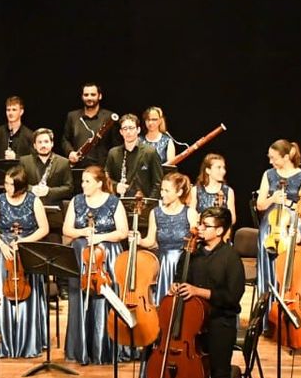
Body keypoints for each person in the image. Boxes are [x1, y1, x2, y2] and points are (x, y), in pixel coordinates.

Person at [174, 207, 246, 378]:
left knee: (220, 376)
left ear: (221, 230)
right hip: (193, 325)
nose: (200, 229)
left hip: (219, 323)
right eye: (200, 224)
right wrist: (177, 287)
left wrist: (198, 291)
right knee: (197, 376)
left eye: (206, 226)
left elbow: (232, 297)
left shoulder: (230, 257)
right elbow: (179, 277)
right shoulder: (191, 252)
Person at [62, 165, 129, 365]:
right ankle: (80, 349)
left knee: (104, 300)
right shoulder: (77, 201)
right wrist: (83, 233)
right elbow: (66, 229)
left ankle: (105, 350)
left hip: (106, 257)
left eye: (87, 181)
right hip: (80, 256)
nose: (83, 185)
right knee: (79, 299)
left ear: (99, 183)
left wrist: (100, 237)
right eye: (82, 181)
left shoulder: (113, 202)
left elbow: (122, 232)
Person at [0, 165, 50, 358]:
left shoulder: (33, 201)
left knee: (27, 293)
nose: (6, 187)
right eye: (5, 183)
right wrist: (2, 245)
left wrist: (23, 242)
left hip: (26, 250)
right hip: (4, 250)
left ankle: (27, 341)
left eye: (10, 184)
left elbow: (44, 228)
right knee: (2, 295)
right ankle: (2, 342)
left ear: (20, 186)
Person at [256, 139, 301, 309]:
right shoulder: (268, 174)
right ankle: (265, 315)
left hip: (289, 228)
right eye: (270, 157)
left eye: (274, 158)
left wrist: (290, 204)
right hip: (269, 227)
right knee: (268, 268)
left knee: (285, 269)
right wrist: (272, 198)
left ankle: (284, 309)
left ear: (286, 157)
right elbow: (260, 205)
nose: (271, 161)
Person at [140, 172, 198, 309]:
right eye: (162, 190)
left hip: (184, 265)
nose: (162, 194)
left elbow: (196, 243)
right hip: (163, 266)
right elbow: (150, 241)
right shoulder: (155, 213)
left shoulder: (189, 213)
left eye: (167, 190)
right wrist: (138, 240)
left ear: (179, 192)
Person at [105, 113, 163, 199]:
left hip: (143, 203)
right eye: (125, 128)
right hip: (119, 203)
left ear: (138, 130)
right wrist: (115, 186)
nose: (128, 132)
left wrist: (149, 204)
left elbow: (158, 183)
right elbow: (106, 179)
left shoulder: (150, 152)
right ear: (121, 132)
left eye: (131, 128)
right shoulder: (113, 153)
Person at [61, 82, 117, 166]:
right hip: (78, 166)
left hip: (102, 168)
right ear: (82, 97)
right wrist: (70, 152)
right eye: (86, 95)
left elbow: (116, 144)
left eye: (93, 94)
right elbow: (65, 139)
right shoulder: (72, 116)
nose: (89, 98)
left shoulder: (109, 117)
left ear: (100, 96)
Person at [19, 128, 73, 206]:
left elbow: (69, 188)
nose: (43, 145)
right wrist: (31, 189)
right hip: (29, 207)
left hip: (54, 208)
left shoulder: (64, 162)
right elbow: (18, 184)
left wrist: (49, 191)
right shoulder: (24, 161)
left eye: (46, 142)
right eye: (39, 142)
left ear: (52, 143)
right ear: (34, 145)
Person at [0, 95, 34, 163]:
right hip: (0, 172)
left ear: (21, 112)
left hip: (22, 172)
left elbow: (34, 160)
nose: (10, 113)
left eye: (14, 110)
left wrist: (16, 157)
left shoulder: (29, 135)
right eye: (8, 110)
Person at [191, 152, 236, 219]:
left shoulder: (228, 191)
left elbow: (232, 219)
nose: (223, 171)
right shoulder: (195, 190)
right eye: (219, 167)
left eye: (224, 168)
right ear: (208, 170)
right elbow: (191, 216)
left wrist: (220, 221)